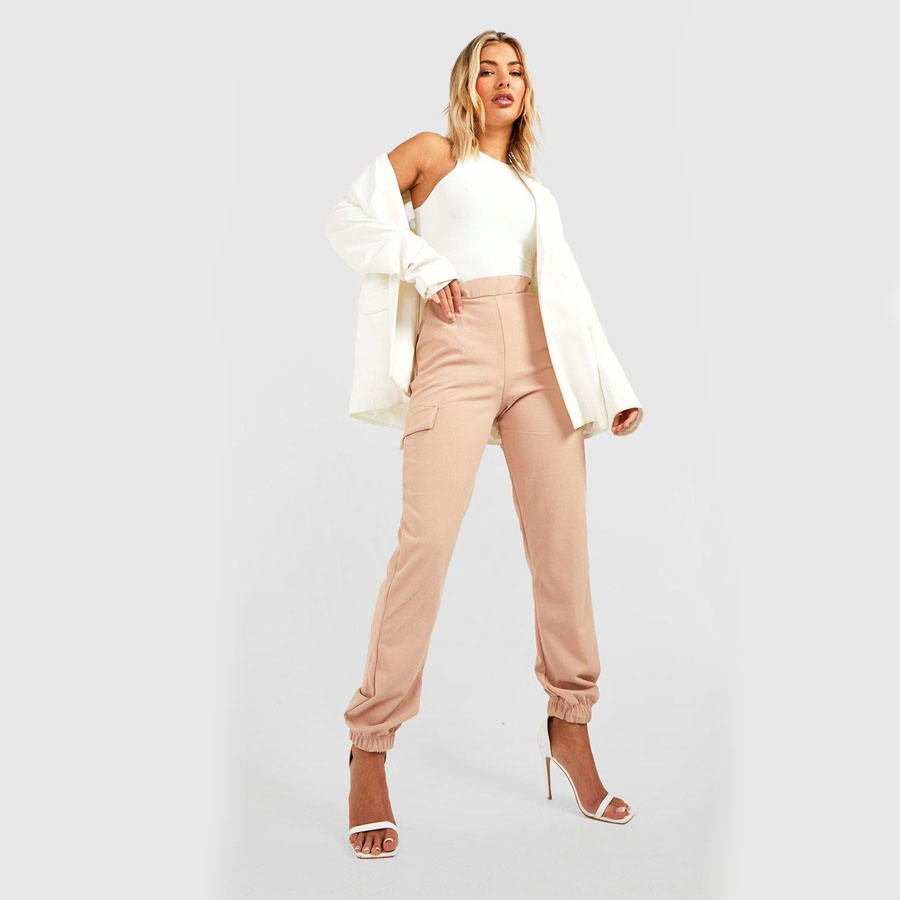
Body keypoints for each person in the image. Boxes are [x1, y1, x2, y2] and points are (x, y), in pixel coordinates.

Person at [324, 30, 643, 860]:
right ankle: (370, 745)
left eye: (516, 70)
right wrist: (422, 263)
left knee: (563, 550)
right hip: (456, 347)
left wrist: (612, 387)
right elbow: (347, 218)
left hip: (541, 362)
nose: (504, 81)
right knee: (425, 544)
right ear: (465, 85)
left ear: (528, 90)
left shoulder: (536, 192)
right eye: (487, 70)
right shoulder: (434, 155)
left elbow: (568, 294)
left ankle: (570, 727)